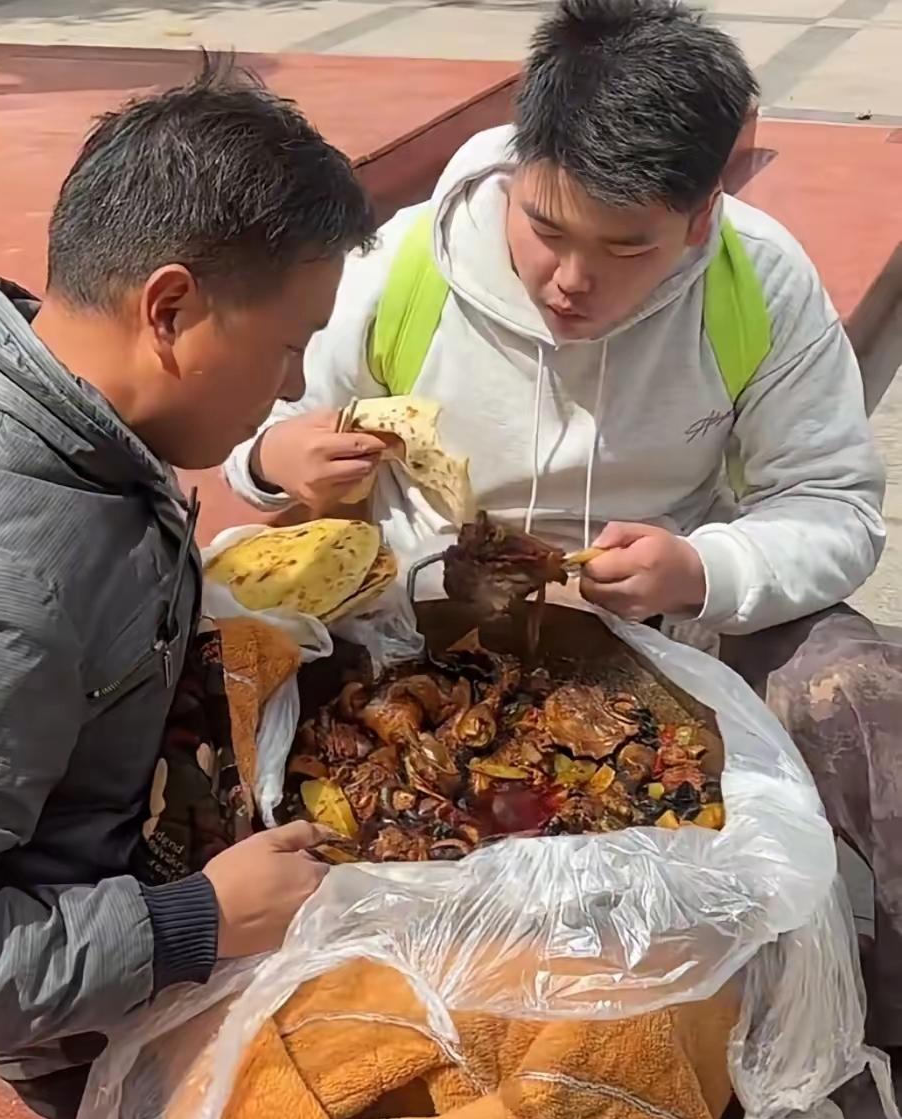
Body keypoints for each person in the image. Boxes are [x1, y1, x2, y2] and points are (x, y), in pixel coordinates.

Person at [223, 0, 902, 1044]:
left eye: (626, 249)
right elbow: (251, 420)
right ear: (516, 172)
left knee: (861, 693)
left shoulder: (757, 285)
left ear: (702, 216)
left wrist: (702, 566)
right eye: (545, 229)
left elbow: (835, 507)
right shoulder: (402, 268)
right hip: (420, 634)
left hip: (665, 630)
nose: (571, 281)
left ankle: (863, 1018)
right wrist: (273, 457)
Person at [0, 59, 375, 1119]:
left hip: (121, 842)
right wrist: (197, 920)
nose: (292, 388)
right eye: (289, 345)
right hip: (86, 997)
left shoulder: (60, 408)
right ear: (171, 307)